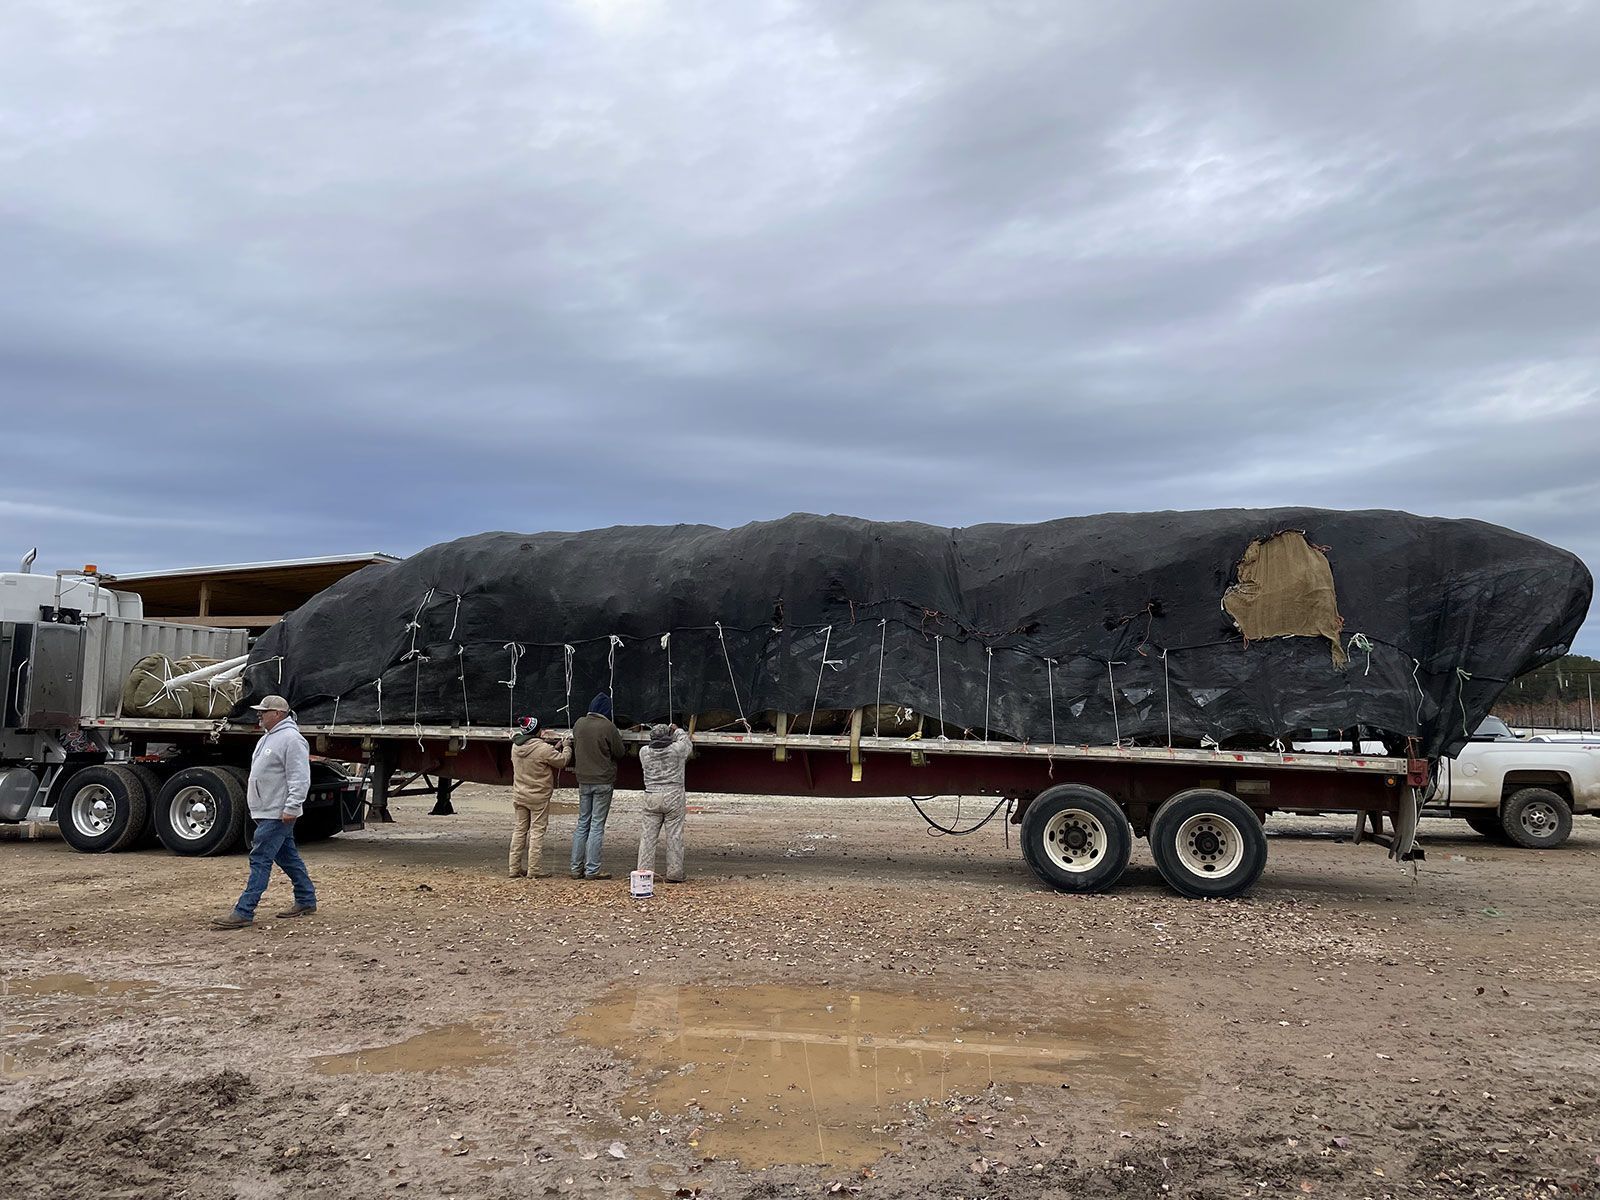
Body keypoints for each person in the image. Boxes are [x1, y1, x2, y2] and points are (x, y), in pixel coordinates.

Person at [211, 695, 317, 929]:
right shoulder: (269, 738)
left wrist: (291, 807)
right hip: (268, 810)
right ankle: (306, 899)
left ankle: (244, 910)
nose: (259, 714)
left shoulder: (291, 739)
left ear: (278, 714)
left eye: (264, 711)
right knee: (287, 857)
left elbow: (300, 777)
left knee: (260, 858)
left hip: (277, 812)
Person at [571, 692, 625, 880]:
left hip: (583, 780)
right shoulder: (608, 727)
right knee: (596, 826)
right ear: (607, 711)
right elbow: (620, 752)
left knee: (582, 823)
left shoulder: (578, 724)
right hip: (603, 781)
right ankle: (592, 870)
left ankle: (575, 868)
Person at [509, 715, 571, 878]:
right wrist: (566, 747)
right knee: (537, 832)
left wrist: (553, 748)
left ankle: (514, 868)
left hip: (519, 795)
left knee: (519, 830)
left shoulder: (515, 747)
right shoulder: (543, 749)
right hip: (538, 797)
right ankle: (534, 870)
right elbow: (562, 761)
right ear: (538, 732)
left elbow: (537, 754)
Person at [637, 723, 693, 884]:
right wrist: (677, 731)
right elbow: (687, 742)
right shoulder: (676, 750)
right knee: (674, 836)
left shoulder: (644, 752)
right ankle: (675, 873)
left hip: (651, 795)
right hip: (673, 795)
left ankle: (644, 872)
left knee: (648, 837)